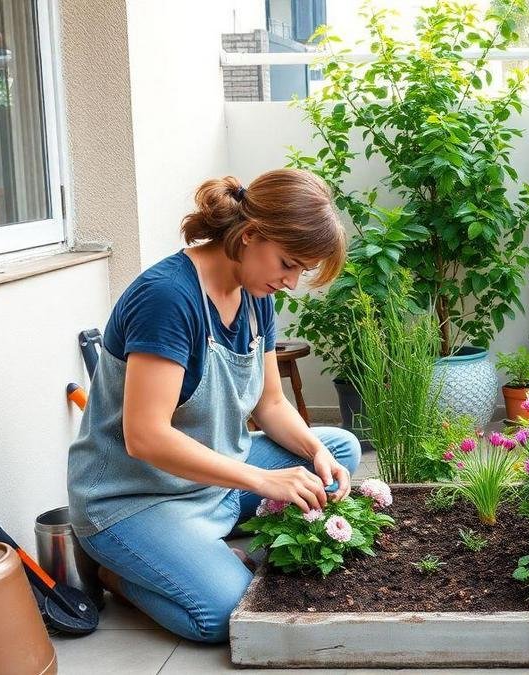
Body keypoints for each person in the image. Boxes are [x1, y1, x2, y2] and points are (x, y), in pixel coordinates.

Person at [67, 169, 359, 642]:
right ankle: (115, 573)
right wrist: (264, 479)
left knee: (338, 449)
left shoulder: (255, 294)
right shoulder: (168, 298)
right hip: (134, 498)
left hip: (211, 481)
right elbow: (145, 437)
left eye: (300, 271)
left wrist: (312, 449)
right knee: (226, 614)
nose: (290, 282)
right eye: (288, 263)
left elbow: (270, 403)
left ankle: (201, 543)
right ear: (249, 236)